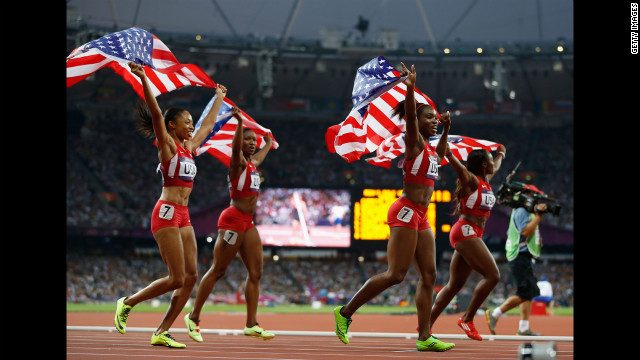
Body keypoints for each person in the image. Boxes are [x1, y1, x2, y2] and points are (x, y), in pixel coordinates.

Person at [333, 63, 455, 352]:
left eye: (436, 119)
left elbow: (439, 154)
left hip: (422, 215)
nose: (434, 121)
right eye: (430, 118)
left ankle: (425, 337)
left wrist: (446, 129)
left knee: (430, 275)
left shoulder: (429, 150)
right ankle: (345, 313)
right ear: (418, 120)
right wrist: (411, 87)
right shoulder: (412, 144)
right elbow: (410, 118)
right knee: (396, 275)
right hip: (405, 210)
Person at [114, 62, 228, 348]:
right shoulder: (167, 146)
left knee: (191, 277)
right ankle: (127, 302)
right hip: (165, 213)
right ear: (172, 125)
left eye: (192, 121)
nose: (191, 125)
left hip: (184, 215)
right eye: (186, 121)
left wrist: (218, 98)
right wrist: (144, 81)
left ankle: (162, 331)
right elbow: (155, 113)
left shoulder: (189, 149)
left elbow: (208, 126)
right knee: (176, 278)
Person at [185, 106, 275, 342]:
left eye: (253, 140)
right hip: (232, 220)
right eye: (248, 139)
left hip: (248, 223)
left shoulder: (253, 164)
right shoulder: (237, 164)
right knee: (219, 270)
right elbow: (236, 150)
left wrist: (267, 142)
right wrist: (238, 125)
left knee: (256, 273)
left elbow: (259, 155)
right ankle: (193, 317)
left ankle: (251, 324)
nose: (251, 143)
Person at [427, 144, 506, 341]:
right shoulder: (471, 180)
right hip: (465, 230)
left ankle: (425, 326)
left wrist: (501, 154)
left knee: (454, 285)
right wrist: (450, 155)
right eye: (489, 160)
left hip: (472, 234)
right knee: (493, 275)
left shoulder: (486, 179)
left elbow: (496, 167)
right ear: (481, 165)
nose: (492, 164)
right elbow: (460, 169)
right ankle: (467, 318)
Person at [486, 201, 548, 336]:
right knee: (527, 291)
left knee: (529, 291)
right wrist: (538, 216)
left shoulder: (525, 212)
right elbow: (525, 231)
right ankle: (495, 313)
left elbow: (516, 232)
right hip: (519, 256)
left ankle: (524, 328)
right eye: (537, 201)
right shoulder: (521, 210)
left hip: (524, 256)